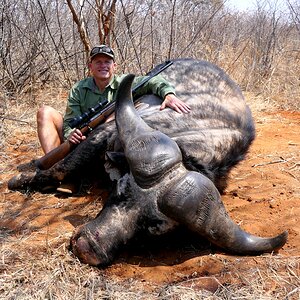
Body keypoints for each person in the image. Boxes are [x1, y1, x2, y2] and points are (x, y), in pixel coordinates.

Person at [37, 45, 190, 193]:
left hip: (103, 145)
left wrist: (168, 94)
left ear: (114, 65)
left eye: (107, 62)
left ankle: (74, 175)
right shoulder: (78, 88)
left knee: (115, 118)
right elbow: (70, 122)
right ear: (90, 66)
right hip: (80, 138)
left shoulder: (126, 83)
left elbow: (153, 81)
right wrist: (70, 134)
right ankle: (54, 169)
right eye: (98, 62)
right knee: (45, 112)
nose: (103, 65)